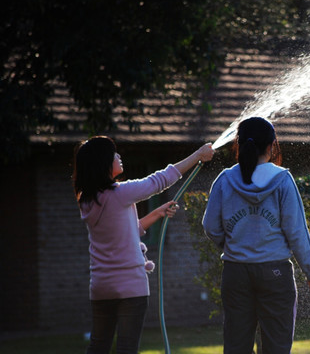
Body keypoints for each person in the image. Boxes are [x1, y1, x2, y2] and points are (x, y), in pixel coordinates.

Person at [72, 136, 214, 354]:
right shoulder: (119, 193)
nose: (119, 156)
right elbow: (160, 180)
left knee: (98, 346)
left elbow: (125, 233)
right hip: (130, 283)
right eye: (113, 153)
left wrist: (157, 213)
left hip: (101, 285)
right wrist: (197, 155)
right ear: (103, 162)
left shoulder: (87, 200)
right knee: (127, 348)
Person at [202, 117, 310, 354]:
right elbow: (296, 231)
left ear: (239, 144)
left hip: (235, 272)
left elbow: (210, 226)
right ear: (271, 145)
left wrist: (232, 244)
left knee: (236, 345)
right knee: (276, 346)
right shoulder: (282, 180)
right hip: (275, 273)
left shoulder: (225, 180)